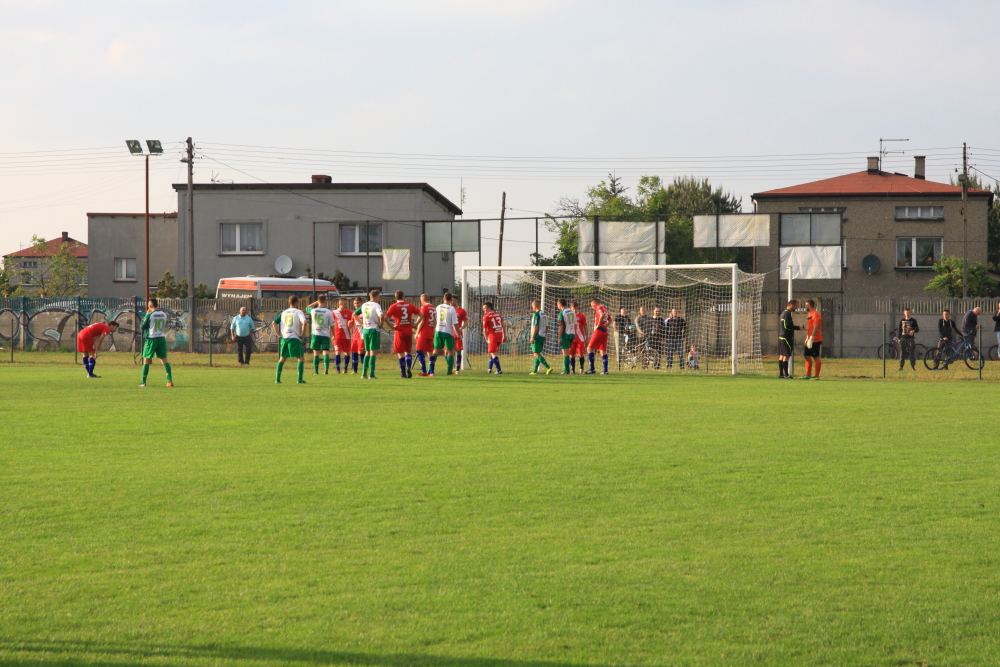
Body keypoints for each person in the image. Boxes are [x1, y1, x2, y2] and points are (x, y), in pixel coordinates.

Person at [385, 290, 421, 379]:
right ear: (403, 297)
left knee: (400, 353)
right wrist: (415, 325)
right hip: (408, 331)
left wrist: (392, 326)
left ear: (395, 297)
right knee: (408, 352)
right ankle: (409, 367)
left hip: (399, 331)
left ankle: (403, 374)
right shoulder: (409, 305)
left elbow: (385, 318)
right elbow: (421, 315)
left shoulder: (393, 306)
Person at [272, 295, 308, 384]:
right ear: (296, 303)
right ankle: (299, 380)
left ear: (289, 302)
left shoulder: (283, 312)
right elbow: (304, 322)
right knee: (300, 358)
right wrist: (302, 334)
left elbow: (273, 323)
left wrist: (278, 334)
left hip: (285, 338)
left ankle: (277, 379)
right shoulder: (298, 312)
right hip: (295, 338)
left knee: (282, 358)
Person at [139, 299, 173, 387]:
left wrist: (146, 315)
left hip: (151, 339)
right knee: (164, 360)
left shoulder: (149, 315)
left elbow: (142, 326)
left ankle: (143, 382)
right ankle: (169, 381)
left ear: (150, 306)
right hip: (161, 338)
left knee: (146, 360)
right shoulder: (164, 314)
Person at [356, 289, 384, 379]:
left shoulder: (364, 305)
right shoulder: (376, 305)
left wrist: (361, 323)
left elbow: (354, 314)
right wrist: (381, 324)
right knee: (373, 352)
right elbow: (381, 315)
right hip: (374, 330)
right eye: (379, 297)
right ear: (376, 297)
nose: (379, 298)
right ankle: (371, 375)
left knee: (367, 352)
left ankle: (364, 374)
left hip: (366, 330)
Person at [304, 294, 334, 375]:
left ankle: (316, 371)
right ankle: (326, 370)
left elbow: (307, 307)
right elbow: (332, 326)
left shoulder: (313, 310)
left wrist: (316, 302)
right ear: (325, 302)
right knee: (326, 352)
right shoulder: (328, 312)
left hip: (315, 334)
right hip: (325, 335)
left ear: (318, 301)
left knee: (316, 353)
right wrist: (333, 335)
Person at [430, 293, 458, 376]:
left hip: (438, 331)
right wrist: (458, 334)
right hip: (448, 332)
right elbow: (455, 323)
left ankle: (430, 370)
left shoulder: (438, 307)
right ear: (451, 300)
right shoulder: (451, 309)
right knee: (450, 351)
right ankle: (449, 371)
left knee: (435, 351)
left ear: (443, 299)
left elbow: (435, 319)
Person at [586, 298, 610, 375]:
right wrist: (606, 325)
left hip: (599, 331)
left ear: (594, 304)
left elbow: (601, 315)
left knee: (589, 348)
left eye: (591, 305)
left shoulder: (599, 307)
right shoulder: (605, 309)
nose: (592, 307)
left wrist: (598, 325)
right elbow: (610, 319)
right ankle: (605, 371)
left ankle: (592, 369)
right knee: (602, 350)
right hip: (605, 331)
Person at [529, 299, 552, 375]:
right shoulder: (544, 314)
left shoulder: (536, 314)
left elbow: (536, 326)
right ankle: (534, 371)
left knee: (536, 353)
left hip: (537, 335)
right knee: (537, 353)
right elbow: (547, 326)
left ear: (534, 306)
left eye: (532, 306)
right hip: (542, 335)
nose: (532, 307)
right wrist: (545, 336)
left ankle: (548, 367)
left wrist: (532, 337)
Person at [481, 301, 506, 374]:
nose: (483, 310)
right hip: (499, 335)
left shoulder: (486, 317)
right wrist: (504, 335)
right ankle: (489, 368)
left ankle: (499, 370)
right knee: (493, 352)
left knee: (493, 353)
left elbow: (484, 329)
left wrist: (486, 338)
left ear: (489, 308)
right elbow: (503, 325)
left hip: (492, 336)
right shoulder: (498, 315)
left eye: (484, 308)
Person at [778, 300, 800, 379]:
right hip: (786, 337)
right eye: (796, 306)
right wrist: (798, 327)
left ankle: (781, 374)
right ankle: (786, 375)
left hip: (781, 336)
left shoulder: (783, 313)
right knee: (786, 356)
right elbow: (787, 326)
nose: (796, 308)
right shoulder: (787, 314)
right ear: (791, 305)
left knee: (782, 355)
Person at [415, 293, 436, 376]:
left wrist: (417, 332)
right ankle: (431, 372)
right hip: (430, 331)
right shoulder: (433, 308)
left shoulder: (424, 307)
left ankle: (424, 371)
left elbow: (422, 321)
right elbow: (434, 321)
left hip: (423, 332)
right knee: (430, 352)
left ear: (423, 300)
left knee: (419, 351)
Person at [331, 297, 354, 373]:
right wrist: (332, 335)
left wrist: (350, 325)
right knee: (337, 352)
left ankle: (345, 368)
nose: (346, 305)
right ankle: (337, 369)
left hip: (347, 336)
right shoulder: (334, 312)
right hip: (337, 336)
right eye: (345, 303)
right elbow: (331, 325)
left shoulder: (349, 313)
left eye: (347, 303)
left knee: (347, 352)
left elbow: (352, 323)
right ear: (340, 303)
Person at [803, 299, 822, 380]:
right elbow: (810, 328)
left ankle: (816, 376)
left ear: (809, 306)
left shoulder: (815, 314)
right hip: (809, 338)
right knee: (807, 356)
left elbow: (816, 327)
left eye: (806, 305)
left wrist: (812, 338)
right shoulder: (809, 314)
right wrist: (807, 338)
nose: (805, 307)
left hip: (815, 339)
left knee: (815, 356)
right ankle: (808, 374)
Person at [556, 298, 576, 375]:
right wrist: (574, 334)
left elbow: (561, 327)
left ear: (560, 304)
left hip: (565, 334)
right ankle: (567, 369)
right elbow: (575, 324)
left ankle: (566, 370)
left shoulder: (562, 313)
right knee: (567, 351)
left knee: (565, 352)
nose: (557, 306)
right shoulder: (572, 311)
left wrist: (559, 338)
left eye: (557, 304)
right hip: (572, 334)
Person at [898, 307, 919, 371]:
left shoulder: (913, 320)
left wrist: (913, 331)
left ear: (910, 313)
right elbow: (900, 330)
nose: (907, 314)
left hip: (910, 339)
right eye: (906, 312)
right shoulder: (902, 320)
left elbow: (917, 329)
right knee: (902, 352)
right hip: (903, 338)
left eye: (908, 312)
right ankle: (901, 366)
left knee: (911, 352)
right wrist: (899, 338)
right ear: (904, 313)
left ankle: (912, 366)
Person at [569, 301, 587, 373]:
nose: (574, 310)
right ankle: (572, 370)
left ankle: (581, 369)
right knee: (572, 354)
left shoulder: (581, 316)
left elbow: (585, 327)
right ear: (570, 308)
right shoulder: (569, 316)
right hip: (571, 337)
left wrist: (586, 337)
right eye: (573, 309)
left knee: (580, 354)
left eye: (576, 309)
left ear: (577, 308)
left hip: (580, 337)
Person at [453, 297, 468, 374]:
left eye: (452, 300)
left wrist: (461, 328)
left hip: (458, 334)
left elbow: (466, 322)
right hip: (448, 333)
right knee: (447, 352)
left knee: (458, 351)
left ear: (456, 300)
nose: (451, 301)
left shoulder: (462, 311)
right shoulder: (448, 310)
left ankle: (457, 369)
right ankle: (450, 367)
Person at [349, 296, 365, 373]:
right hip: (355, 335)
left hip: (362, 335)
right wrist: (349, 323)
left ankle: (364, 368)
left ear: (361, 303)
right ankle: (354, 370)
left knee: (360, 352)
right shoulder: (354, 313)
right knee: (354, 351)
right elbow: (351, 325)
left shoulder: (364, 313)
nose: (356, 305)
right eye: (355, 303)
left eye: (358, 303)